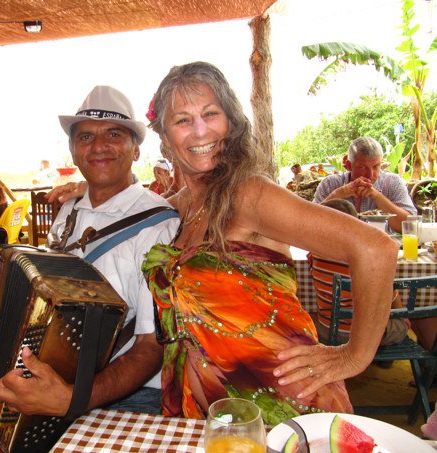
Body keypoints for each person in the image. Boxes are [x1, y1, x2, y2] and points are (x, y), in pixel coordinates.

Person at [139, 61, 398, 425]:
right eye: (182, 120)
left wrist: (354, 356)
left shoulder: (249, 195)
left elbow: (376, 248)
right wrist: (90, 191)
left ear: (230, 121)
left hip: (279, 405)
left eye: (210, 114)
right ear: (165, 136)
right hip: (212, 410)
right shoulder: (179, 206)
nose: (200, 130)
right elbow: (127, 217)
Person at [0, 85, 179, 451]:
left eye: (114, 135)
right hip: (52, 380)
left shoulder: (160, 227)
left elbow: (151, 347)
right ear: (74, 150)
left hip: (126, 395)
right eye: (86, 136)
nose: (99, 146)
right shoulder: (67, 211)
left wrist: (72, 399)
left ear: (136, 149)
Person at [309, 198, 410, 348]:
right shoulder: (368, 259)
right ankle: (385, 354)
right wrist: (403, 316)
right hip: (366, 337)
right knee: (404, 323)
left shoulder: (314, 255)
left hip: (327, 331)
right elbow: (390, 296)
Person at [313, 137, 416, 232]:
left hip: (383, 249)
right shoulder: (329, 184)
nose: (370, 174)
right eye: (362, 167)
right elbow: (311, 224)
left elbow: (411, 227)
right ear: (349, 165)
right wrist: (338, 194)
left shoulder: (392, 182)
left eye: (376, 166)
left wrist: (377, 196)